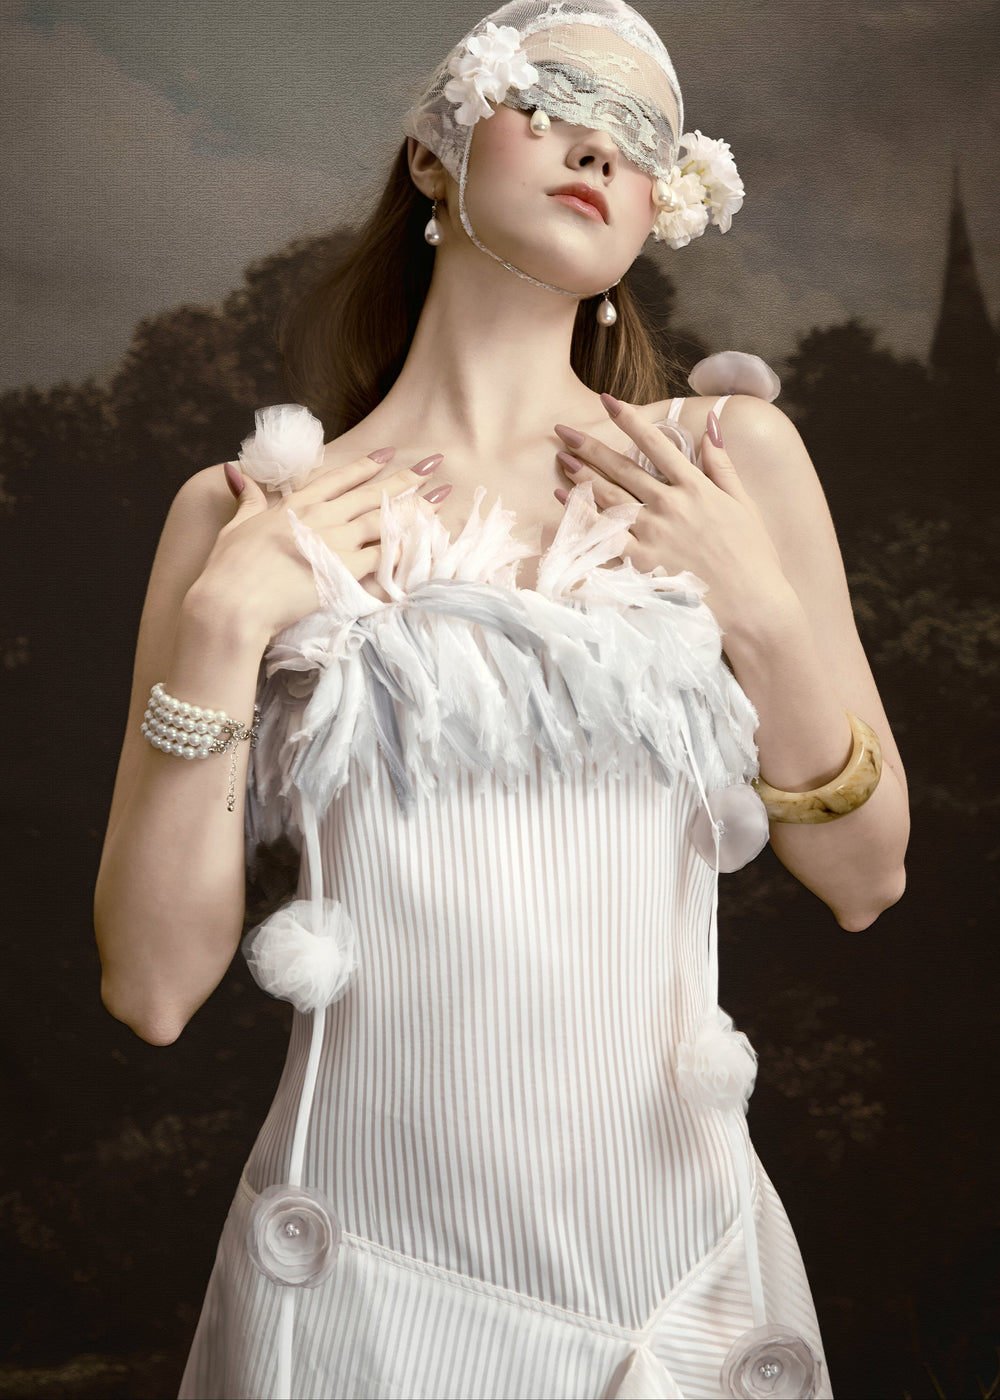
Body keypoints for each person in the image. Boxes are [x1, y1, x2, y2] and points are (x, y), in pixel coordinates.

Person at [94, 2, 909, 1396]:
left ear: (661, 206)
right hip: (356, 1287)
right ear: (435, 153)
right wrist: (225, 629)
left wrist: (759, 612)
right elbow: (154, 990)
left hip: (677, 1280)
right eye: (554, 105)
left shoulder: (731, 464)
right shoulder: (242, 520)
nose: (599, 147)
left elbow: (867, 876)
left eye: (642, 137)